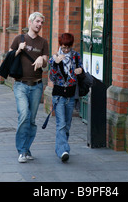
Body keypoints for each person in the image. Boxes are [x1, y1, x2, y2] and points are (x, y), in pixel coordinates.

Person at [9, 12, 48, 163]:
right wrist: (18, 49)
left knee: (31, 120)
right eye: (37, 21)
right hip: (20, 85)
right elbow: (9, 58)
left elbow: (45, 61)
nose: (39, 24)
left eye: (41, 23)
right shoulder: (19, 38)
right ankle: (21, 151)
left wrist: (41, 59)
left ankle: (26, 149)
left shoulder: (43, 42)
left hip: (37, 86)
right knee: (24, 115)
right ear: (30, 22)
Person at [49, 33, 83, 162]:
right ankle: (63, 150)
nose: (66, 50)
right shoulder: (55, 58)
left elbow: (81, 68)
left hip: (70, 95)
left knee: (67, 124)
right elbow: (52, 77)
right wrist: (56, 64)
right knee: (61, 124)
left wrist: (80, 70)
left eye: (68, 47)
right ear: (60, 46)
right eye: (64, 47)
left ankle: (60, 148)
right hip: (58, 96)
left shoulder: (75, 56)